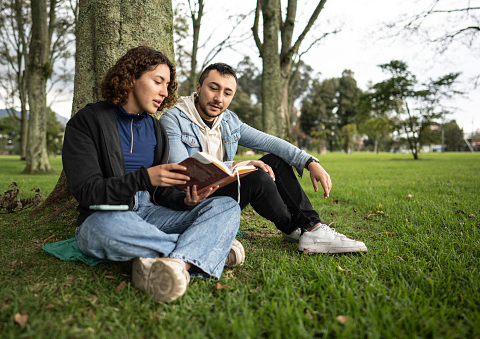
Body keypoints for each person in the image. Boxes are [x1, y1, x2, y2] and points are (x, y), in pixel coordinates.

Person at [62, 47, 244, 303]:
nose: (164, 92)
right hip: (105, 215)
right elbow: (86, 192)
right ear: (130, 77)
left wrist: (186, 200)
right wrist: (144, 179)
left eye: (167, 85)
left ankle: (175, 264)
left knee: (225, 206)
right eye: (157, 81)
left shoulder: (156, 129)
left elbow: (162, 193)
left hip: (150, 213)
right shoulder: (87, 122)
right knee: (102, 228)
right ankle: (207, 250)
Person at [160, 63, 367, 254]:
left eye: (227, 92)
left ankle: (312, 228)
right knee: (256, 177)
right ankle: (298, 229)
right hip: (190, 200)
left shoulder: (229, 121)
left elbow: (271, 143)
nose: (219, 98)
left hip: (220, 191)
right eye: (213, 88)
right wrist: (238, 165)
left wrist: (309, 162)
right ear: (198, 87)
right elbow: (182, 173)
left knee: (274, 161)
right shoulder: (174, 118)